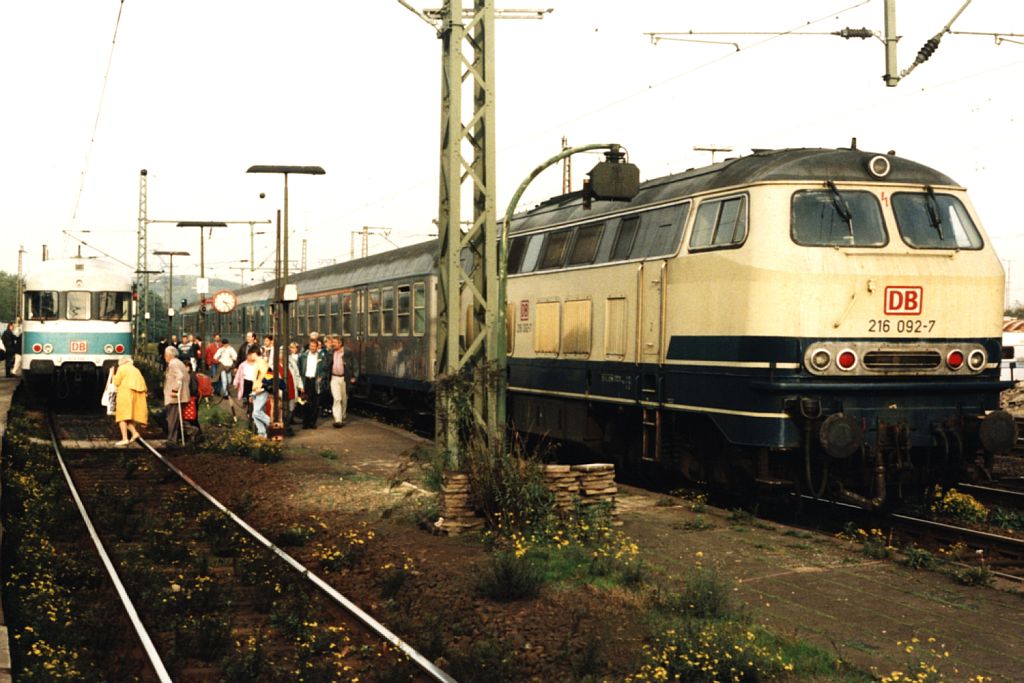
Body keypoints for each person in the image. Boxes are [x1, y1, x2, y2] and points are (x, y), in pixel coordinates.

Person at [112, 357, 148, 445]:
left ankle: (125, 438)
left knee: (122, 417)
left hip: (125, 394)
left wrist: (112, 374)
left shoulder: (122, 368)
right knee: (129, 417)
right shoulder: (136, 370)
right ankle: (134, 433)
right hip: (136, 396)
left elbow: (116, 382)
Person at [297, 339, 328, 429]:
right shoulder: (303, 356)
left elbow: (325, 369)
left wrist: (321, 377)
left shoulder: (321, 357)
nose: (313, 348)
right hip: (306, 380)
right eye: (311, 346)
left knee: (315, 403)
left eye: (314, 346)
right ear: (309, 347)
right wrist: (300, 384)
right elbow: (299, 370)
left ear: (317, 347)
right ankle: (305, 422)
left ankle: (312, 422)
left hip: (315, 381)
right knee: (305, 402)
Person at [163, 346, 191, 445]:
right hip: (182, 395)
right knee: (177, 419)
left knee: (172, 419)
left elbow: (180, 376)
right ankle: (192, 431)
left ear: (169, 355)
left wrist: (175, 389)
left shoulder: (173, 363)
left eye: (165, 355)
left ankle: (172, 440)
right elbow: (187, 376)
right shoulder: (179, 363)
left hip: (174, 397)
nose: (164, 357)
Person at [329, 335, 357, 428]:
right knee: (337, 399)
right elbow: (328, 364)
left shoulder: (348, 352)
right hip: (334, 378)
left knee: (344, 399)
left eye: (334, 342)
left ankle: (342, 415)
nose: (332, 344)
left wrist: (354, 376)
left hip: (345, 378)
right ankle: (338, 420)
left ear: (340, 343)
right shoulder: (331, 352)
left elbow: (354, 364)